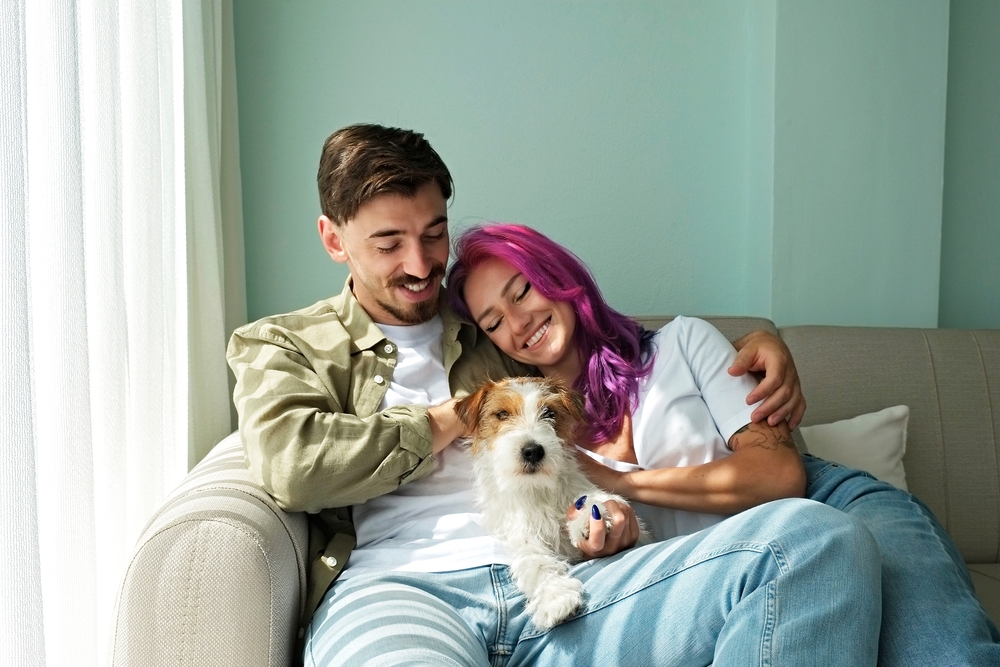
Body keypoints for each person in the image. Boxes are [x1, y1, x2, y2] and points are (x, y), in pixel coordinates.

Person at [227, 123, 882, 667]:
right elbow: (293, 465)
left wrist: (765, 339)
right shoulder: (285, 345)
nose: (423, 264)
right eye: (389, 243)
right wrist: (455, 417)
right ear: (333, 238)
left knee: (818, 541)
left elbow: (599, 363)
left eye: (433, 233)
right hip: (406, 587)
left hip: (571, 575)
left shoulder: (495, 329)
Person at [448, 222, 1000, 667]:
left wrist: (620, 480)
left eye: (521, 290)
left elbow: (780, 476)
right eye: (494, 322)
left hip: (834, 501)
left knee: (942, 655)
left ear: (558, 276)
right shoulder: (533, 445)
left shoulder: (684, 341)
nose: (518, 322)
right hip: (738, 564)